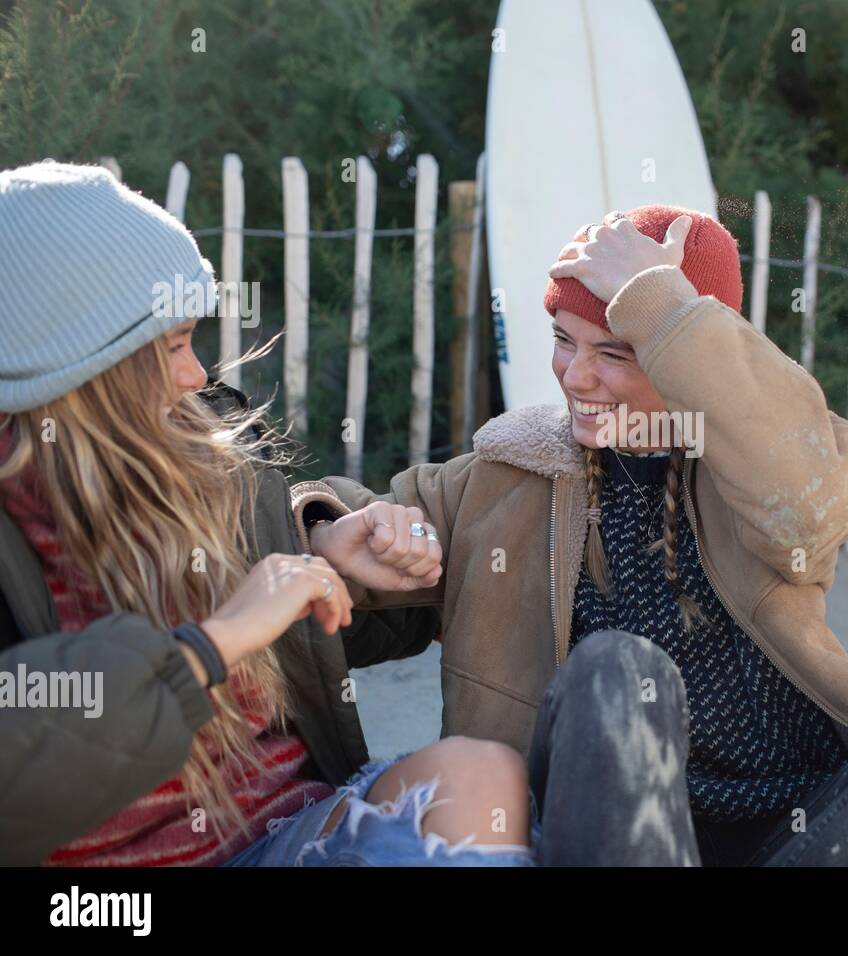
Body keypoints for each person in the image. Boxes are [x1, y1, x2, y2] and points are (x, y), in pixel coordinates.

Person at [299, 204, 848, 865]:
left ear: (679, 348)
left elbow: (808, 504)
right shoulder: (500, 479)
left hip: (803, 830)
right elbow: (337, 577)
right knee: (619, 668)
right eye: (564, 341)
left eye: (616, 352)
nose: (576, 376)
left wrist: (658, 303)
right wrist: (335, 535)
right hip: (605, 833)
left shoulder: (757, 462)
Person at [0, 161, 533, 867]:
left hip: (289, 837)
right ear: (83, 371)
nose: (198, 375)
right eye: (173, 346)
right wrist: (212, 644)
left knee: (482, 777)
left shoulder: (197, 443)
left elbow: (345, 627)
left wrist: (330, 549)